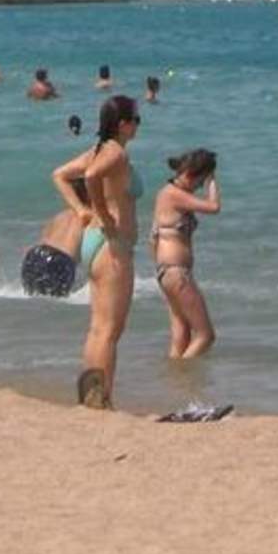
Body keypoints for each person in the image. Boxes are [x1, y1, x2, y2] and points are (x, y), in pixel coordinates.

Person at [51, 96, 142, 409]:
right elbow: (89, 178)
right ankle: (102, 398)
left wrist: (81, 210)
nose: (138, 126)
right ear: (123, 124)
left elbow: (60, 175)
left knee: (98, 328)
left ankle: (91, 397)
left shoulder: (97, 150)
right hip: (111, 245)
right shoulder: (115, 152)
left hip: (95, 242)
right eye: (136, 120)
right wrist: (100, 212)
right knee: (110, 331)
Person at [152, 148, 222, 358]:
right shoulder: (173, 195)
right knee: (205, 335)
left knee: (181, 333)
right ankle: (184, 370)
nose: (200, 187)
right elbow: (214, 206)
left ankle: (175, 376)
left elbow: (152, 238)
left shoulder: (167, 193)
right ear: (193, 174)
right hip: (176, 272)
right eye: (201, 181)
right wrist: (212, 181)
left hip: (168, 272)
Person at [22, 183, 89, 298]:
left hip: (35, 255)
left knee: (32, 299)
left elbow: (43, 238)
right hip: (60, 261)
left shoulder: (60, 216)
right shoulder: (91, 218)